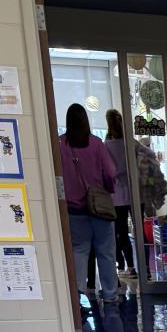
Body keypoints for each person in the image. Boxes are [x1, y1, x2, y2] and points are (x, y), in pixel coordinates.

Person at [59, 103, 119, 305]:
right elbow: (110, 173)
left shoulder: (60, 145)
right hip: (100, 209)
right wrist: (107, 190)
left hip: (74, 209)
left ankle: (77, 294)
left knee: (79, 251)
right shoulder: (96, 144)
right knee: (106, 253)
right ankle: (110, 294)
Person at [104, 109, 136, 277]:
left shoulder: (106, 145)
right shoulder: (130, 142)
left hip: (116, 196)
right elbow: (148, 154)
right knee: (138, 232)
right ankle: (143, 269)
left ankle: (125, 266)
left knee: (120, 232)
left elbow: (107, 170)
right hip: (134, 193)